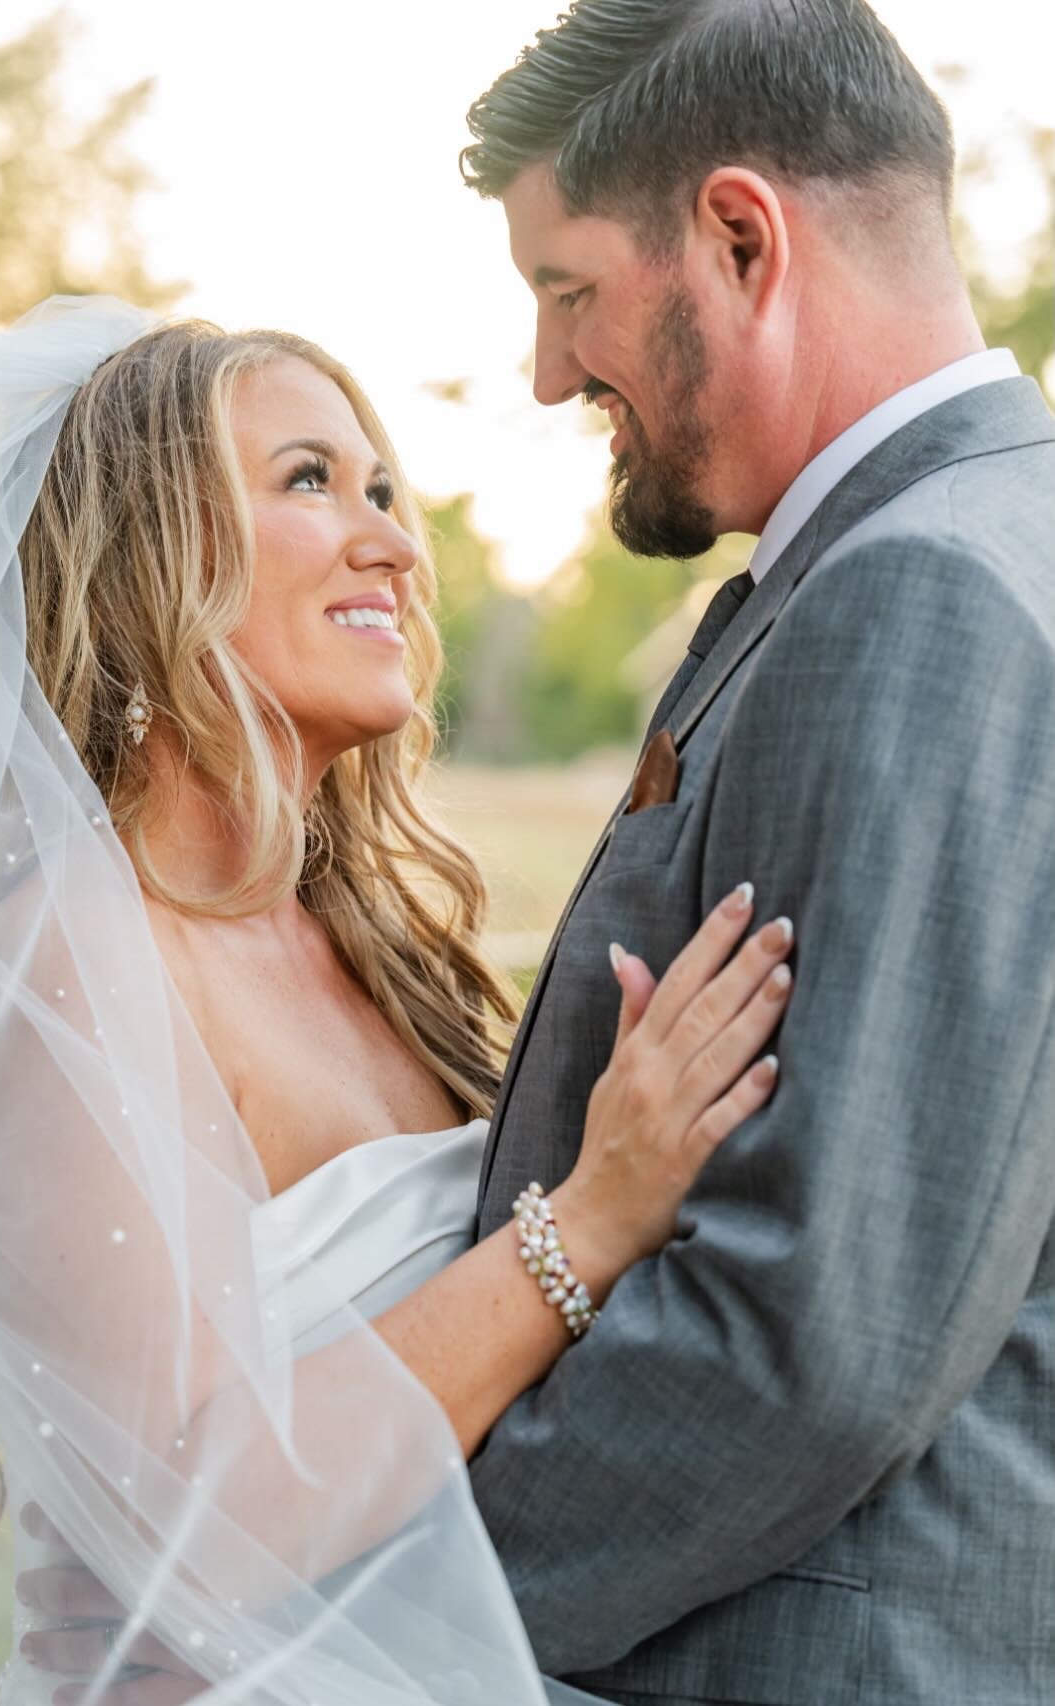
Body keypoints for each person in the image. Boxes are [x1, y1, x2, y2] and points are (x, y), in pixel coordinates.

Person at [0, 266, 789, 1706]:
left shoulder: (378, 945)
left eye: (383, 491)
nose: (389, 543)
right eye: (310, 480)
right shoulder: (66, 960)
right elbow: (200, 1522)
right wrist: (582, 1221)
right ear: (158, 555)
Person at [447, 2, 1054, 1703]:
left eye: (566, 292)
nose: (548, 372)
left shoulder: (920, 593)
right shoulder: (984, 537)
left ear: (736, 236)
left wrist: (402, 1620)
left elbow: (813, 1337)